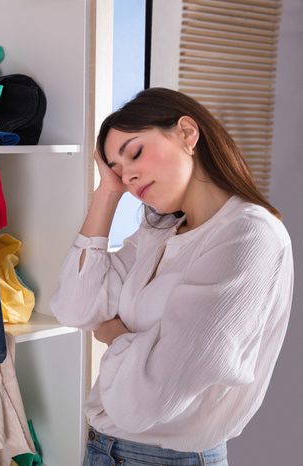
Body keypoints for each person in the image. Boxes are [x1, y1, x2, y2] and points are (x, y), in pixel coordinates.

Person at [50, 88, 293, 466]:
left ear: (187, 133)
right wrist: (107, 194)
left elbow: (149, 399)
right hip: (101, 447)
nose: (127, 175)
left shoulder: (248, 234)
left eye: (134, 153)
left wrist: (115, 335)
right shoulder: (161, 232)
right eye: (116, 169)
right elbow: (74, 308)